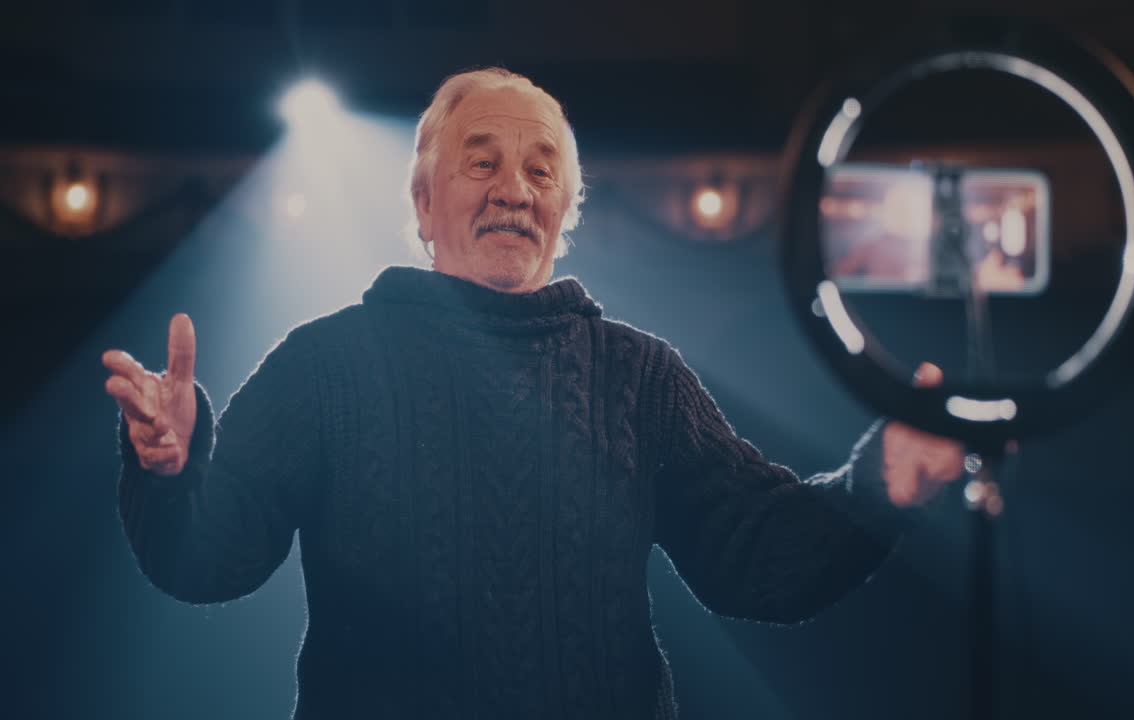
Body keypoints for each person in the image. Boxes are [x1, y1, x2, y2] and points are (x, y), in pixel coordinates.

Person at [103, 68, 964, 719]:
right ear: (423, 205)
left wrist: (878, 484)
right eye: (481, 163)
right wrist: (171, 472)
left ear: (563, 211)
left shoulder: (640, 377)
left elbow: (756, 558)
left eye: (541, 172)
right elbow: (207, 561)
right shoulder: (323, 366)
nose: (513, 189)